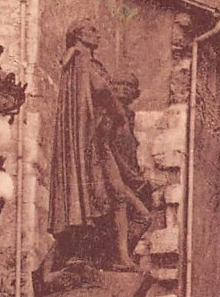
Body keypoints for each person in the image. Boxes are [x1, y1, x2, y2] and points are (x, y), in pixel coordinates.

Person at [48, 19, 151, 270]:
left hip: (98, 142)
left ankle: (118, 258)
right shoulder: (81, 58)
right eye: (92, 30)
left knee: (115, 197)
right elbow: (101, 87)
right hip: (92, 145)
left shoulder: (80, 60)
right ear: (79, 35)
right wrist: (117, 112)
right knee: (109, 198)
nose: (98, 35)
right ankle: (115, 258)